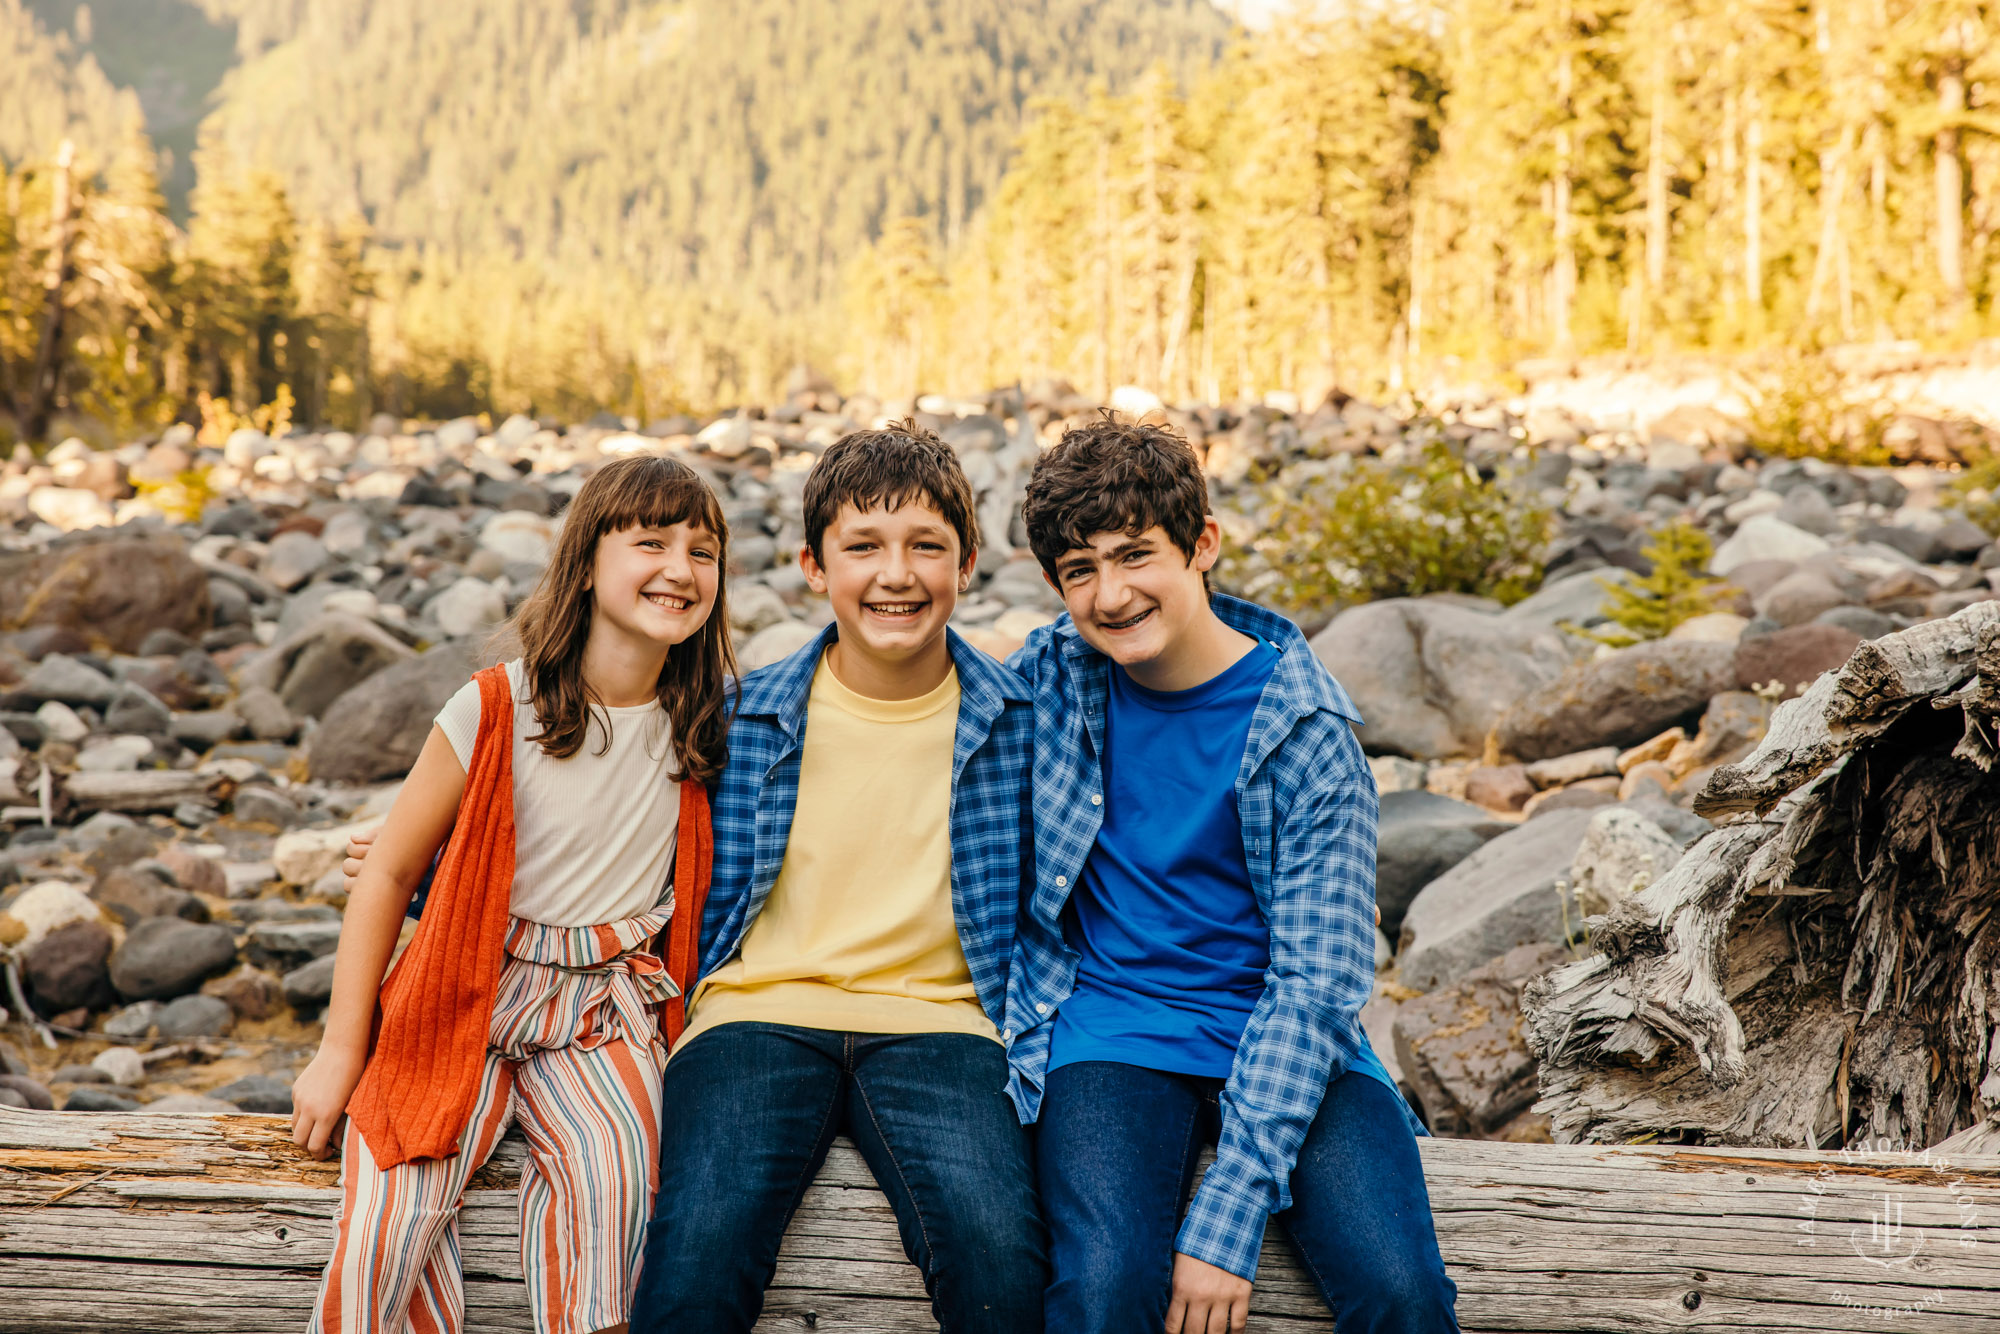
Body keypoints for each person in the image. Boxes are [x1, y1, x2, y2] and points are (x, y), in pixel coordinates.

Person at [1006, 416, 1460, 1334]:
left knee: (1402, 1294)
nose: (1112, 593)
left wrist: (1229, 1215)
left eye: (1137, 556)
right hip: (1115, 1029)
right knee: (1100, 1289)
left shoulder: (1306, 732)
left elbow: (1321, 983)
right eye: (1079, 571)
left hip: (1292, 1034)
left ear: (1203, 544)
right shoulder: (1050, 678)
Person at [292, 453, 736, 1334]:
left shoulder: (706, 720)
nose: (680, 570)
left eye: (704, 551)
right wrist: (342, 1049)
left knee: (618, 1186)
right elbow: (387, 869)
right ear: (586, 561)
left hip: (605, 1004)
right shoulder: (498, 706)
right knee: (394, 1207)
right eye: (651, 542)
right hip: (468, 987)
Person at [629, 423, 1045, 1332]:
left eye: (926, 547)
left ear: (967, 564)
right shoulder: (742, 719)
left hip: (945, 1025)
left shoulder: (1021, 723)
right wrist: (416, 855)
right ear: (815, 566)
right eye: (863, 548)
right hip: (755, 1015)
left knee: (1001, 1260)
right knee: (696, 1256)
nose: (895, 575)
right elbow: (599, 817)